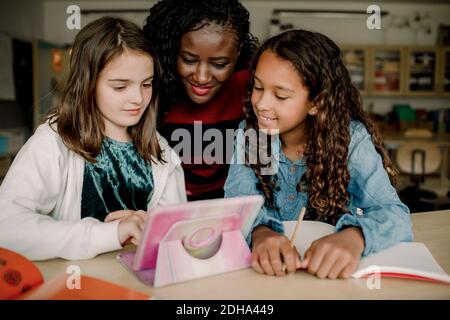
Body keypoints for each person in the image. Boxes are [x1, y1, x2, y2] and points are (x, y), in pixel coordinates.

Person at [224, 29, 413, 279]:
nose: (260, 103)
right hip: (267, 279)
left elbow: (394, 214)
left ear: (317, 103)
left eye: (280, 95)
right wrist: (261, 232)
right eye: (258, 87)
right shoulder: (250, 135)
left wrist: (355, 237)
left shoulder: (351, 140)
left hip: (329, 278)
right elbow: (239, 201)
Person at [0, 17, 186, 261]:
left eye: (147, 84)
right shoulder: (54, 140)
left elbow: (175, 236)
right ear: (88, 84)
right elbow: (6, 229)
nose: (138, 98)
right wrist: (110, 233)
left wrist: (150, 227)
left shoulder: (160, 150)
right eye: (120, 87)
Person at [143, 0, 258, 201]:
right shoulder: (149, 86)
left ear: (237, 52)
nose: (202, 78)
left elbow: (264, 166)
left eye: (219, 64)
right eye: (188, 60)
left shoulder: (253, 86)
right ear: (172, 52)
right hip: (164, 203)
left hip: (232, 202)